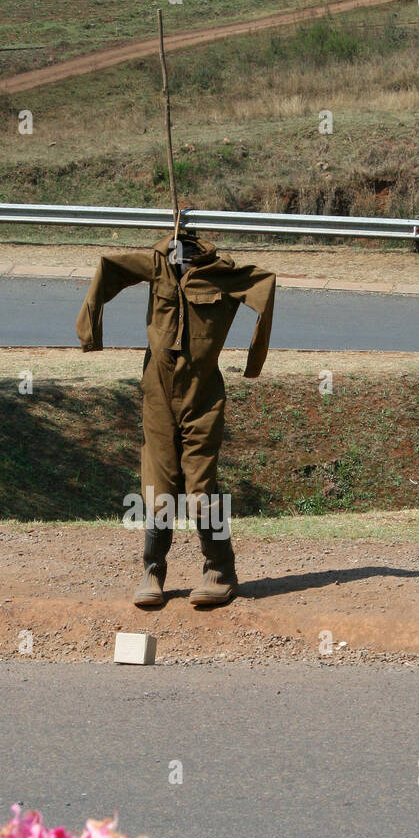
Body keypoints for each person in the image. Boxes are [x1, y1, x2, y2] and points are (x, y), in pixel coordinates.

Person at [75, 229, 276, 608]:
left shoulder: (222, 273)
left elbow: (266, 284)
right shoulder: (157, 265)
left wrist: (254, 361)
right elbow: (108, 266)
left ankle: (220, 570)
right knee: (158, 487)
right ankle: (152, 572)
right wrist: (90, 332)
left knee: (201, 489)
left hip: (203, 394)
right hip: (158, 393)